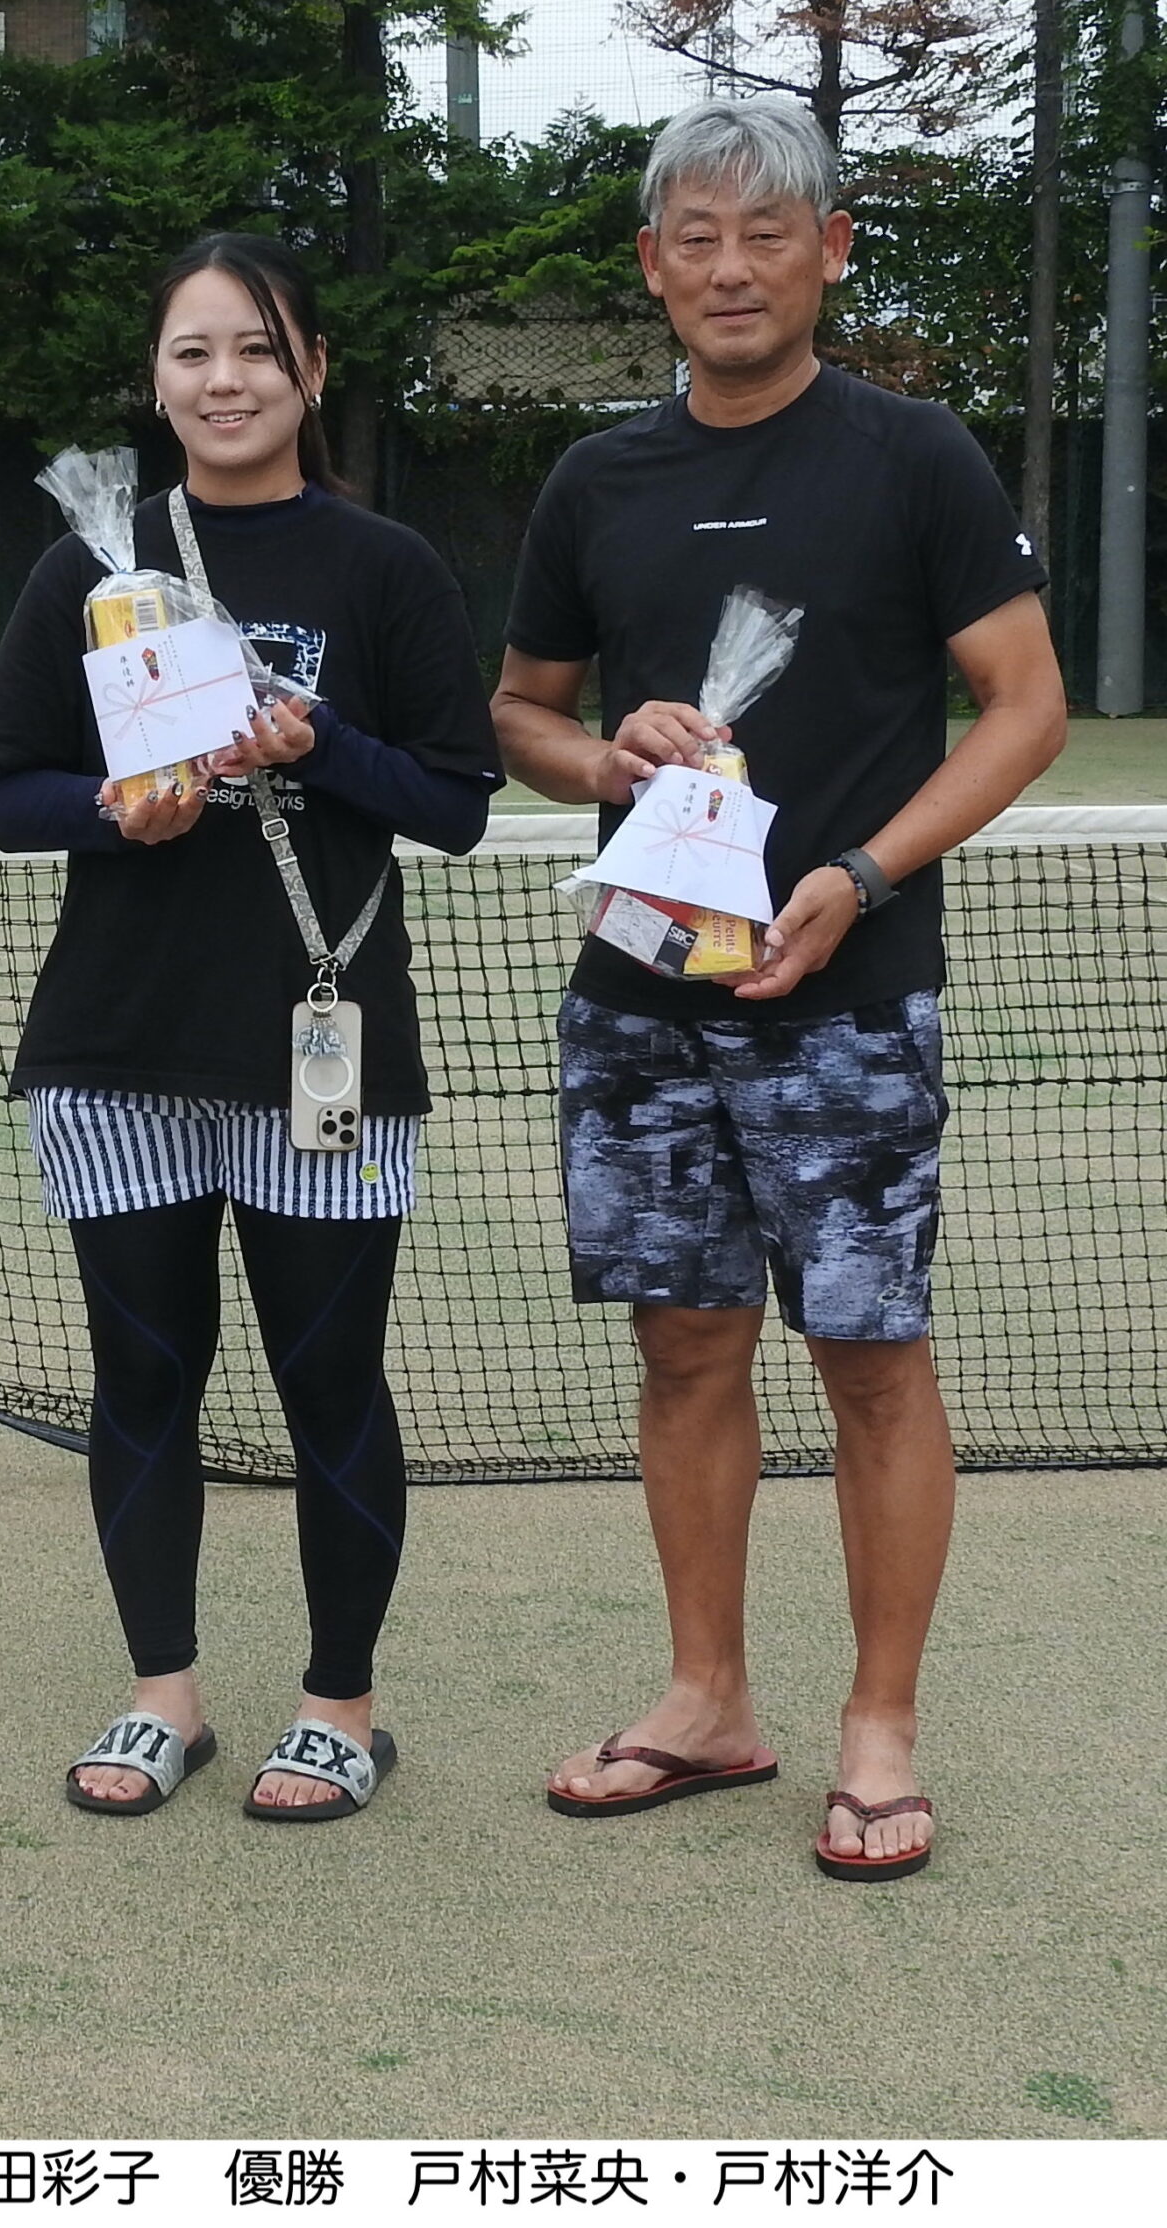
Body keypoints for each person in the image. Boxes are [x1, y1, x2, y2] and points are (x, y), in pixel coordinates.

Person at [492, 99, 1065, 1881]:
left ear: (830, 250)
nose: (730, 268)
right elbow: (520, 715)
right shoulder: (597, 481)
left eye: (766, 234)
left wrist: (862, 876)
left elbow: (1026, 706)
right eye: (697, 238)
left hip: (852, 997)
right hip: (640, 998)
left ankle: (878, 1728)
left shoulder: (915, 457)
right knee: (682, 1347)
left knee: (872, 1360)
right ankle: (708, 1699)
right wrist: (606, 760)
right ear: (652, 265)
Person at [0, 233, 502, 1821]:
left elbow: (455, 804)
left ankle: (341, 1707)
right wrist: (116, 808)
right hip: (117, 1043)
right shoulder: (94, 564)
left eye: (258, 350)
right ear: (157, 378)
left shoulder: (385, 567)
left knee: (331, 1385)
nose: (225, 380)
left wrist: (317, 743)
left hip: (320, 1043)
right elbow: (9, 793)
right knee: (144, 1381)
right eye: (193, 351)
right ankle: (164, 1699)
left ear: (313, 372)